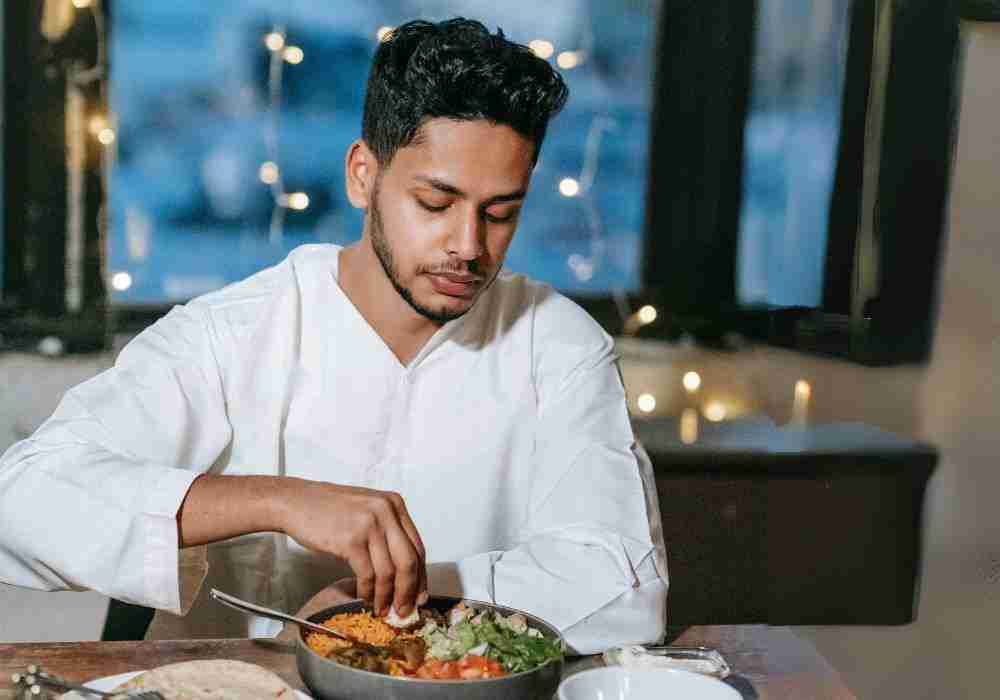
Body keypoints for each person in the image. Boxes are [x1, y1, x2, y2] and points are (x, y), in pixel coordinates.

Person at [0, 18, 667, 653]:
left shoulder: (559, 346)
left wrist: (390, 598)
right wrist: (280, 500)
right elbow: (20, 502)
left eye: (500, 213)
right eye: (434, 203)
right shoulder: (234, 333)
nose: (469, 247)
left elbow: (625, 587)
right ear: (362, 176)